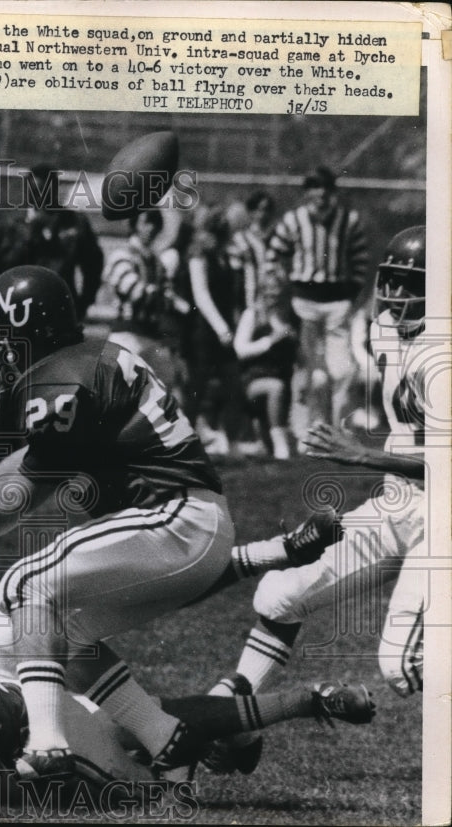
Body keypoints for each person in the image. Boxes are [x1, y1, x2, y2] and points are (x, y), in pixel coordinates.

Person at [0, 265, 236, 781]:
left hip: (175, 518)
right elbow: (33, 459)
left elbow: (26, 492)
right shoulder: (85, 359)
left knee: (24, 584)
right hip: (188, 522)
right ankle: (167, 739)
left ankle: (48, 744)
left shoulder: (60, 377)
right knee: (61, 632)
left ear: (25, 327)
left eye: (1, 337)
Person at [209, 226, 428, 773]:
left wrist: (360, 455)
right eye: (392, 283)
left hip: (443, 517)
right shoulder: (386, 330)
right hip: (400, 502)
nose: (395, 297)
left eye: (411, 285)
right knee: (280, 594)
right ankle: (236, 719)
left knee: (403, 666)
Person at [0, 643, 372, 807]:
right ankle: (299, 702)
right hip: (40, 696)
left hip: (47, 737)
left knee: (155, 795)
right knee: (151, 717)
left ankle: (198, 762)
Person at [265, 166, 370, 436]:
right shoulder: (293, 220)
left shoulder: (349, 220)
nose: (320, 194)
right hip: (303, 302)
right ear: (307, 192)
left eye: (325, 187)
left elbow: (361, 260)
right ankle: (307, 429)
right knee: (309, 371)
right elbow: (273, 257)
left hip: (337, 302)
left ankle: (338, 429)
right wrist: (277, 290)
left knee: (343, 369)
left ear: (332, 191)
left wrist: (351, 294)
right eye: (314, 187)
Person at [0, 162, 104, 320]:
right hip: (20, 307)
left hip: (61, 306)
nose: (40, 197)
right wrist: (30, 231)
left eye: (45, 190)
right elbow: (3, 266)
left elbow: (93, 265)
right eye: (35, 191)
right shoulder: (16, 225)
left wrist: (84, 302)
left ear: (54, 190)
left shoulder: (74, 223)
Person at [100, 209, 186, 400]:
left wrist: (160, 296)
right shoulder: (122, 255)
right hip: (127, 334)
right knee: (120, 391)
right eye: (147, 222)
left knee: (164, 386)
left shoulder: (156, 261)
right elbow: (134, 291)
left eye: (156, 223)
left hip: (151, 336)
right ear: (135, 224)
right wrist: (159, 296)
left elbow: (167, 298)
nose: (152, 228)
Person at [186, 205, 246, 456]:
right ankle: (183, 444)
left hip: (224, 332)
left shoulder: (224, 255)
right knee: (197, 389)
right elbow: (201, 296)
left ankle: (231, 442)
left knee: (233, 386)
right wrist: (221, 329)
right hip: (204, 332)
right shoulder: (198, 255)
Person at [232, 281, 299, 459]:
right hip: (252, 379)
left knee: (284, 386)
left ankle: (274, 441)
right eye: (269, 295)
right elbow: (240, 349)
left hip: (283, 377)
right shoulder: (252, 315)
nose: (273, 299)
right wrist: (270, 341)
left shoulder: (288, 317)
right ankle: (280, 443)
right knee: (275, 387)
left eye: (277, 295)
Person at [226, 190, 276, 312]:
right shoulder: (240, 239)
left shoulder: (277, 237)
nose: (263, 214)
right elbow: (236, 276)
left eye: (267, 210)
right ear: (250, 212)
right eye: (258, 210)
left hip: (274, 302)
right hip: (249, 302)